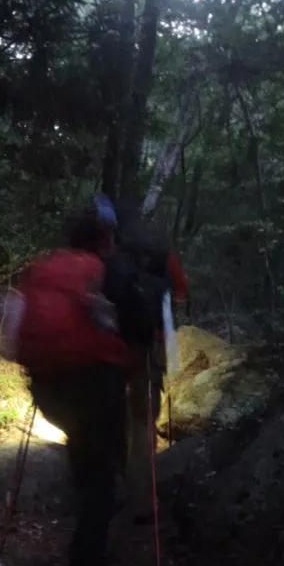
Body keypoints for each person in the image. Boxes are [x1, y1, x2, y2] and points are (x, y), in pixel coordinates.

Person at [5, 195, 156, 566]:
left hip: (47, 388)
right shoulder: (110, 270)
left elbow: (13, 325)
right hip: (94, 385)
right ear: (107, 238)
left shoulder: (44, 267)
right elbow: (143, 322)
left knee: (85, 458)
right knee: (99, 481)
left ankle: (89, 531)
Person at [113, 211, 189, 522]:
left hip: (114, 344)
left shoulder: (118, 254)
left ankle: (110, 487)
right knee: (143, 421)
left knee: (114, 413)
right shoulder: (164, 257)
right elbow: (181, 291)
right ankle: (141, 499)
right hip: (149, 348)